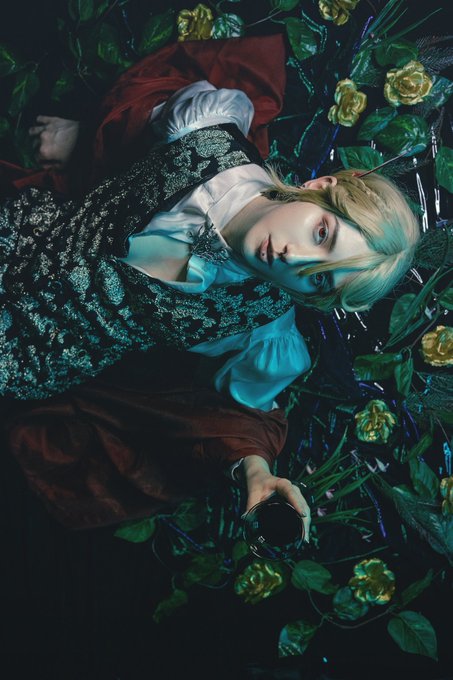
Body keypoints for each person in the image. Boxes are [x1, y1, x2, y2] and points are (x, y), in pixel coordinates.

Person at [1, 36, 419, 536]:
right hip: (19, 236)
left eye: (321, 277)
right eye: (322, 234)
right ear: (319, 188)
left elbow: (238, 413)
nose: (296, 258)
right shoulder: (206, 131)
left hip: (27, 358)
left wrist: (255, 469)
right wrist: (82, 139)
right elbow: (127, 131)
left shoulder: (261, 323)